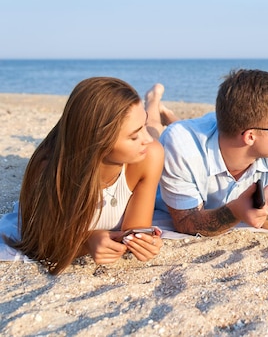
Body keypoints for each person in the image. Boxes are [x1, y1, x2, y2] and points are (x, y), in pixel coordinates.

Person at [6, 77, 165, 274]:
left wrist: (143, 241)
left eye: (142, 123)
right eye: (134, 136)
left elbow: (133, 231)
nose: (145, 139)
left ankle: (153, 102)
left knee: (155, 131)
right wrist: (86, 241)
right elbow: (39, 241)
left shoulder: (150, 154)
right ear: (100, 141)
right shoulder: (47, 170)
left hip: (139, 155)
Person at [157, 69, 268, 236]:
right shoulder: (180, 144)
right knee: (154, 130)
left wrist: (256, 208)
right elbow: (185, 222)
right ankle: (154, 103)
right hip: (183, 141)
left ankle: (169, 115)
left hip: (212, 132)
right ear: (250, 136)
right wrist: (236, 212)